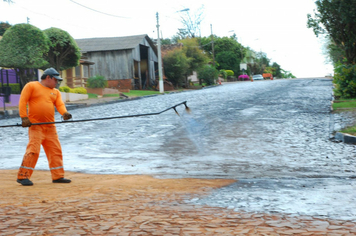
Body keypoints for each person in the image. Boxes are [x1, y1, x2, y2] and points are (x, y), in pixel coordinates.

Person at [17, 68, 72, 186]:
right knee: (33, 151)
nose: (56, 83)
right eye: (55, 80)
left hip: (51, 128)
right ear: (48, 77)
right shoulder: (31, 86)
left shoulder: (55, 92)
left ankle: (58, 177)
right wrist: (24, 117)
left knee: (55, 151)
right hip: (36, 126)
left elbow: (60, 105)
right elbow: (23, 101)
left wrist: (65, 113)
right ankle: (23, 176)